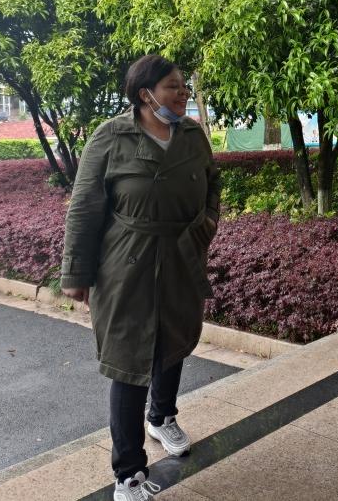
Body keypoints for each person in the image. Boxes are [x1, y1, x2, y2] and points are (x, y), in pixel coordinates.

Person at [61, 55, 220, 501]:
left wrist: (205, 226)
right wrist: (76, 272)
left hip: (181, 256)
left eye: (184, 86)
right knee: (129, 363)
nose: (183, 93)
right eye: (173, 86)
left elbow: (212, 186)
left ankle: (162, 416)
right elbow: (85, 206)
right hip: (125, 264)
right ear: (145, 93)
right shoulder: (111, 136)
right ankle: (128, 473)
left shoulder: (191, 135)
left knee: (174, 340)